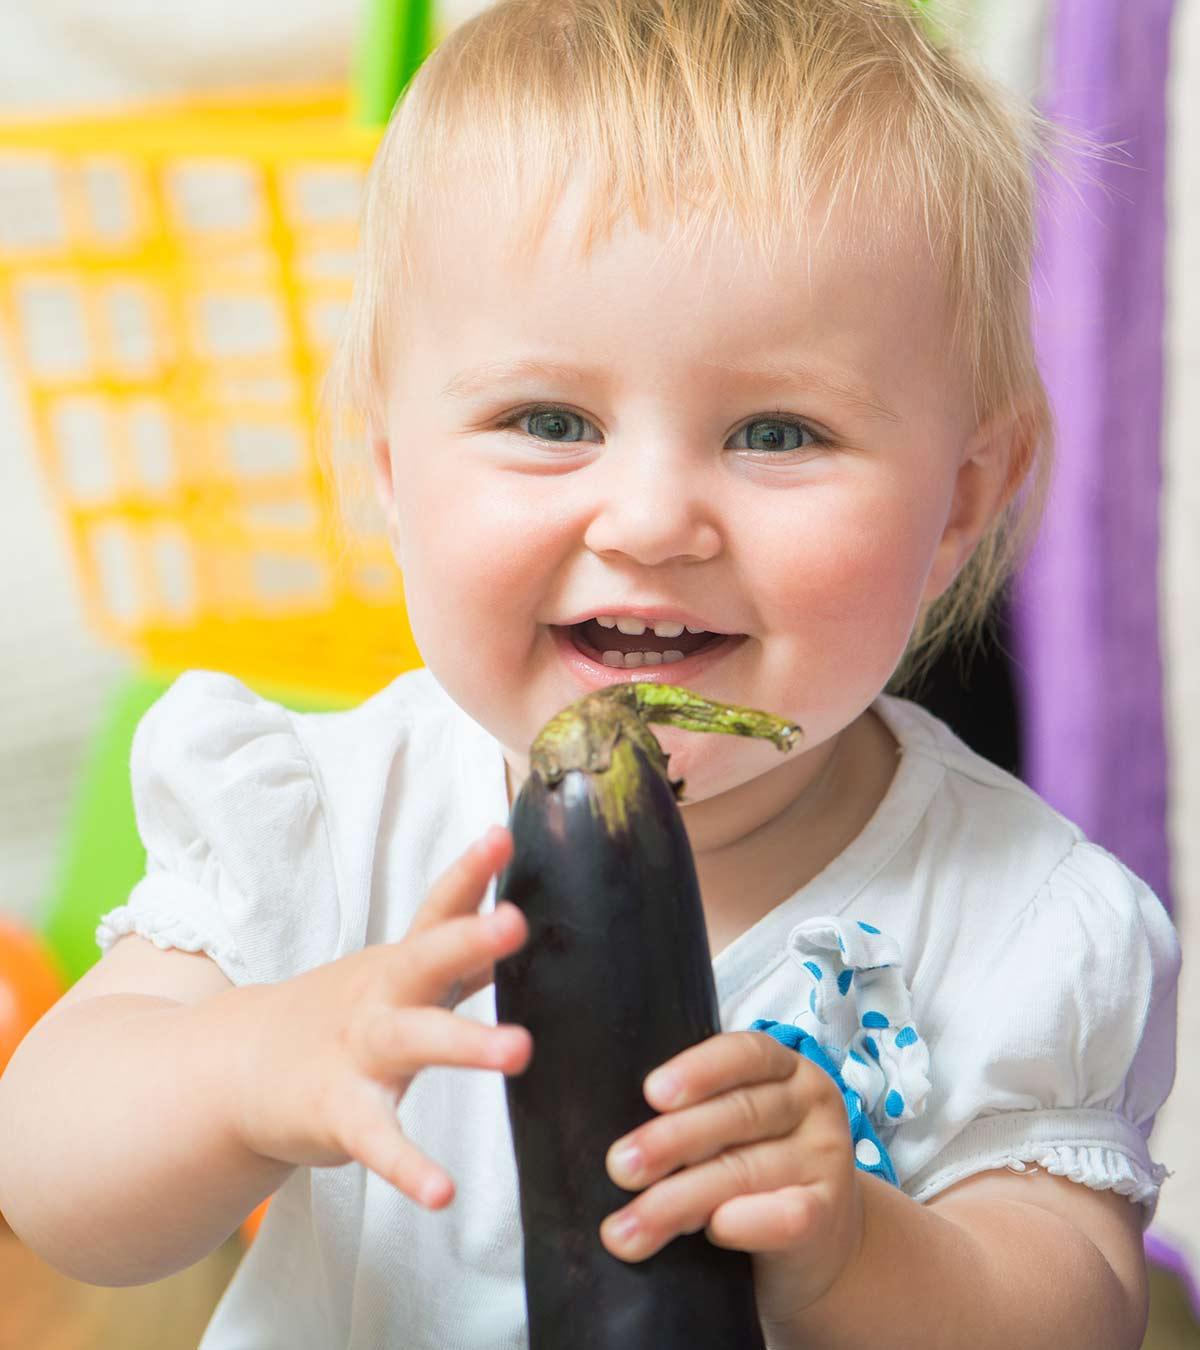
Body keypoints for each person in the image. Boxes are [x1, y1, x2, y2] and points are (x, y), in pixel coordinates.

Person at [0, 0, 1180, 1345]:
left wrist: (855, 1246)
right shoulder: (327, 821)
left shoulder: (1014, 916)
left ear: (964, 496)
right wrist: (250, 1066)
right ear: (392, 461)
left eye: (777, 430)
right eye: (549, 421)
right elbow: (51, 1173)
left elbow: (1077, 1316)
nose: (650, 520)